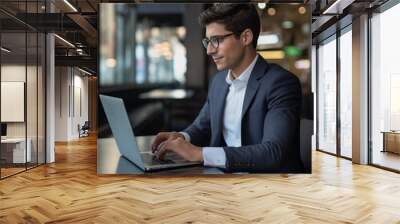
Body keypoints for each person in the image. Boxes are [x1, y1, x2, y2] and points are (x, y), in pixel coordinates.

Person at [151, 3, 304, 173]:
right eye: (207, 41)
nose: (209, 50)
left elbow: (273, 153)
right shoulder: (218, 82)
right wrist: (181, 137)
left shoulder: (280, 83)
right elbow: (202, 126)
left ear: (245, 37)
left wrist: (201, 154)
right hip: (224, 177)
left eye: (216, 40)